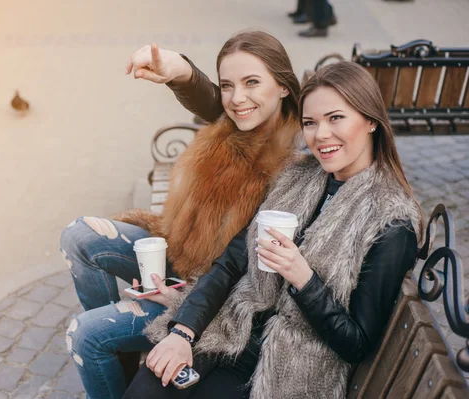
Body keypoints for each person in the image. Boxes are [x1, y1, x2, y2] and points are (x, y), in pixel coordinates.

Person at [124, 61, 423, 399]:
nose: (320, 134)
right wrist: (184, 330)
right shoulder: (296, 178)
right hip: (230, 330)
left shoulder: (391, 221)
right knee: (145, 388)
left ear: (370, 121)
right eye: (310, 123)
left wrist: (303, 279)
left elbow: (356, 344)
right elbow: (232, 262)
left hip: (288, 370)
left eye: (335, 118)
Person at [60, 31, 302, 398]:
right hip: (178, 252)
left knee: (85, 334)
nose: (237, 98)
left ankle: (108, 347)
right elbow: (208, 97)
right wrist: (180, 70)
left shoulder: (294, 163)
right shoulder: (238, 119)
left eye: (252, 82)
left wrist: (181, 300)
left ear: (284, 86)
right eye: (228, 85)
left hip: (210, 302)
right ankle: (120, 354)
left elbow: (251, 281)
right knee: (77, 236)